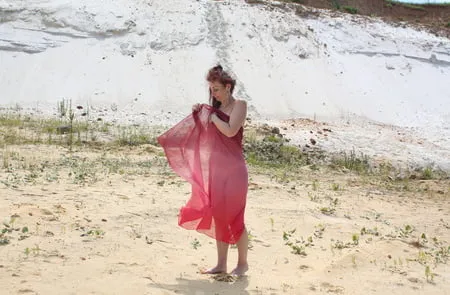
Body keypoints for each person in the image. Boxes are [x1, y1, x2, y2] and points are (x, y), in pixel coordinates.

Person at [157, 65, 249, 276]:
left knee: (235, 217)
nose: (212, 93)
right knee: (219, 216)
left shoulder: (240, 106)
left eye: (216, 89)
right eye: (210, 89)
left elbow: (230, 130)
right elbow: (204, 137)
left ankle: (242, 264)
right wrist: (199, 115)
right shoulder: (213, 111)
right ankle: (221, 265)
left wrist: (213, 117)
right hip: (217, 170)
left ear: (228, 87)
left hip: (235, 171)